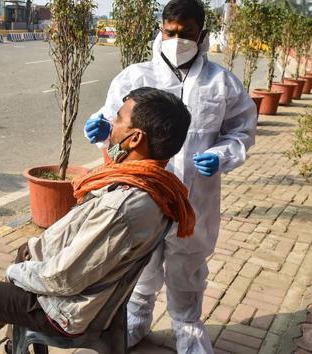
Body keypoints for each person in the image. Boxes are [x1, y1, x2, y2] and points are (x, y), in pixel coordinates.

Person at [0, 87, 196, 354]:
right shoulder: (158, 185)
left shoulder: (125, 205)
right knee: (25, 250)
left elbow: (64, 277)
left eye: (118, 120)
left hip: (59, 306)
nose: (111, 127)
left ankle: (14, 332)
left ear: (135, 138)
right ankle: (15, 345)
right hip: (67, 285)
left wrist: (15, 274)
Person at [83, 1, 257, 352]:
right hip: (142, 191)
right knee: (139, 259)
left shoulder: (221, 84)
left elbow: (241, 130)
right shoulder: (135, 77)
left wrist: (221, 154)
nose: (176, 40)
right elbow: (113, 124)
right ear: (160, 31)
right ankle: (136, 318)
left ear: (202, 35)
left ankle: (187, 328)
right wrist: (100, 129)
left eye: (186, 34)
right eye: (170, 32)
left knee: (187, 266)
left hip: (194, 194)